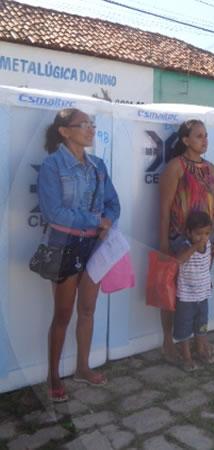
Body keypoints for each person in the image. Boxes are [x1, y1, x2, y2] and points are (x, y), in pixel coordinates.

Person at [38, 108, 120, 402]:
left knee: (87, 309)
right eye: (83, 124)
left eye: (92, 124)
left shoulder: (98, 165)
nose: (90, 129)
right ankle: (53, 376)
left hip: (94, 247)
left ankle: (83, 367)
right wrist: (96, 221)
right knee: (62, 314)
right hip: (64, 246)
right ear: (64, 131)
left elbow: (113, 202)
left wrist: (107, 219)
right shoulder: (52, 166)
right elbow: (53, 213)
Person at [159, 119, 214, 363]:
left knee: (198, 292)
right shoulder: (175, 167)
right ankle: (169, 342)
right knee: (173, 292)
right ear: (186, 140)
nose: (204, 140)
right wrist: (164, 243)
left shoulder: (211, 168)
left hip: (204, 243)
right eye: (199, 136)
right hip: (179, 241)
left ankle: (201, 343)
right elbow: (164, 208)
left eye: (206, 135)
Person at [173, 211, 214, 371]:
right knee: (184, 327)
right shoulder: (184, 246)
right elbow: (179, 260)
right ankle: (186, 356)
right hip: (186, 297)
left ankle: (201, 350)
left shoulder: (207, 245)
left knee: (201, 325)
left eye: (207, 233)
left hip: (203, 294)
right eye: (198, 234)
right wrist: (194, 246)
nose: (203, 237)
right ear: (189, 232)